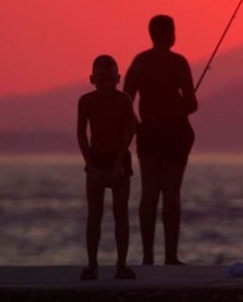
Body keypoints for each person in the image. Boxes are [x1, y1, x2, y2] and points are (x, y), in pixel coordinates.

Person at [124, 14, 198, 265]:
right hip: (176, 130)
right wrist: (180, 106)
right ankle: (171, 257)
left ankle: (147, 257)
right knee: (172, 194)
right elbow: (191, 104)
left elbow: (126, 102)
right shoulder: (179, 63)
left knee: (149, 193)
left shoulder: (139, 62)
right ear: (170, 34)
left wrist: (139, 127)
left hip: (150, 131)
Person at [76, 54, 138, 280]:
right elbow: (82, 134)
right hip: (96, 160)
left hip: (119, 161)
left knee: (121, 214)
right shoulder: (86, 102)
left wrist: (119, 160)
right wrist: (89, 164)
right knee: (95, 214)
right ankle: (92, 265)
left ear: (118, 78)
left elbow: (130, 130)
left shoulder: (124, 101)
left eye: (110, 80)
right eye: (101, 80)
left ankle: (121, 265)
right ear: (92, 79)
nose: (106, 86)